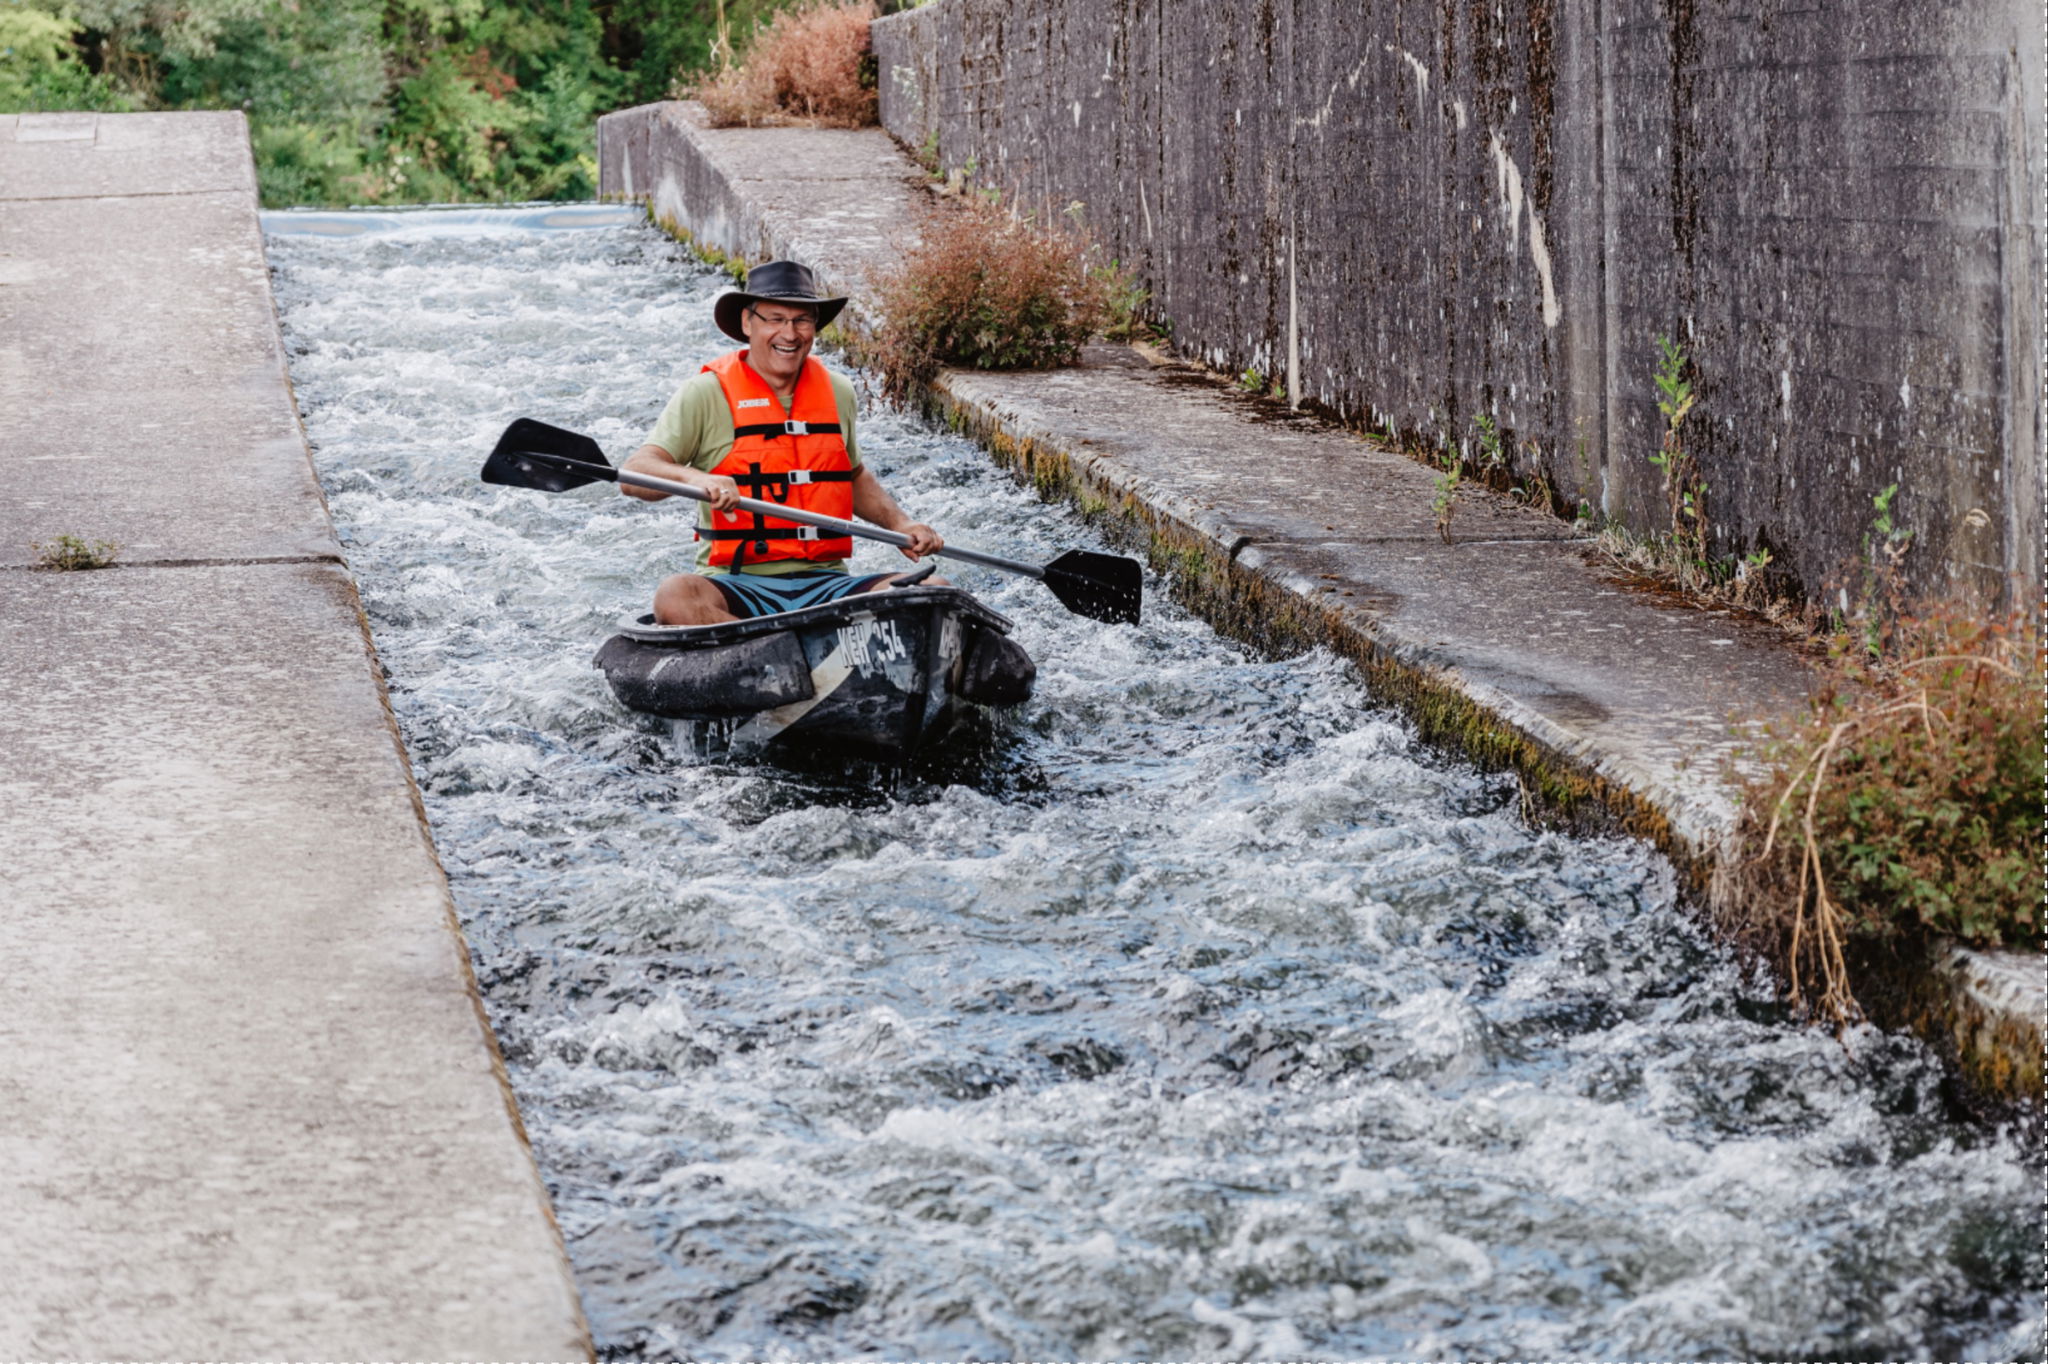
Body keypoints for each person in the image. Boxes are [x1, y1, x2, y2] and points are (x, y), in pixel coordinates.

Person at [621, 260, 945, 624]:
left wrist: (901, 524)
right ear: (748, 323)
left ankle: (798, 644)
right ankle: (770, 646)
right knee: (675, 596)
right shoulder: (705, 393)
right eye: (775, 319)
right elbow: (634, 475)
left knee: (933, 590)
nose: (789, 334)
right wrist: (698, 479)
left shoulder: (838, 391)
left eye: (801, 320)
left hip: (827, 585)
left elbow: (852, 476)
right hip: (737, 585)